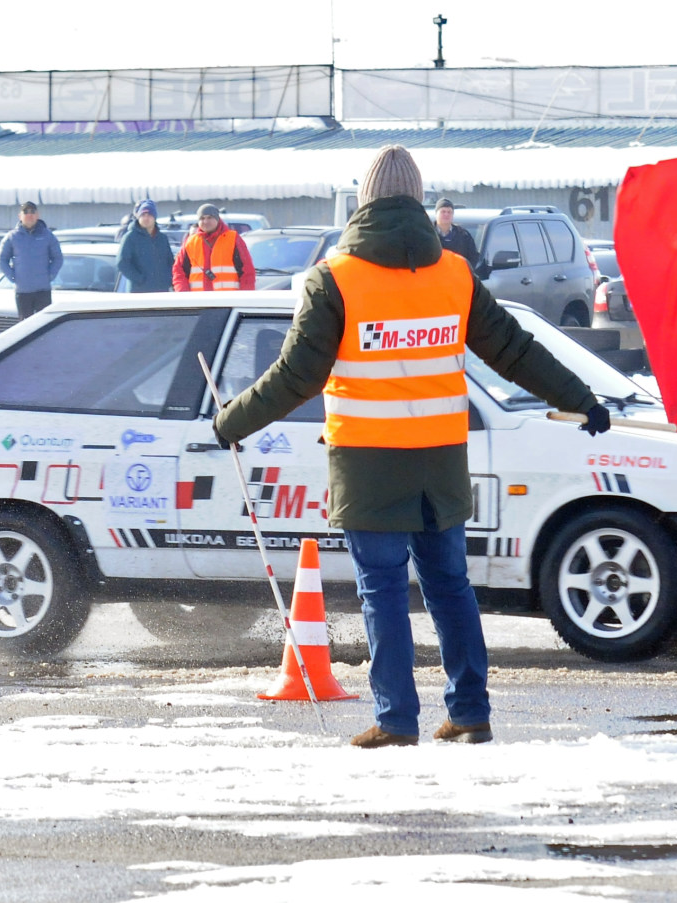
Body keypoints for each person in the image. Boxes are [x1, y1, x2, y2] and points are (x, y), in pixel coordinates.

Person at [213, 145, 610, 749]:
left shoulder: (335, 278)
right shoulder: (453, 273)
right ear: (420, 199)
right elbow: (515, 350)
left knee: (382, 590)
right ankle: (470, 710)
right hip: (440, 463)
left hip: (369, 463)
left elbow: (296, 376)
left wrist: (231, 421)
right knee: (450, 584)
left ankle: (397, 719)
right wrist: (583, 397)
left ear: (365, 198)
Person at [0, 201, 63, 319]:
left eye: (32, 212)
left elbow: (58, 258)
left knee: (44, 325)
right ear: (20, 216)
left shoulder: (47, 235)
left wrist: (50, 275)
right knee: (25, 327)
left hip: (43, 291)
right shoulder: (12, 237)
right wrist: (14, 277)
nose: (29, 215)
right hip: (23, 292)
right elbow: (2, 260)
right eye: (26, 212)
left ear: (37, 215)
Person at [171, 204, 255, 291]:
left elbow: (247, 271)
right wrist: (184, 295)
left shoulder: (233, 239)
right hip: (199, 302)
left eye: (210, 217)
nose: (206, 221)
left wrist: (243, 299)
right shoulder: (190, 242)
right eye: (202, 218)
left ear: (217, 219)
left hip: (227, 301)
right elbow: (179, 272)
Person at [117, 199, 174, 293]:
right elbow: (122, 263)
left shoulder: (162, 238)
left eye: (149, 215)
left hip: (161, 291)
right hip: (139, 293)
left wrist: (168, 279)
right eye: (143, 215)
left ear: (155, 217)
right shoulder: (130, 237)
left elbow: (170, 262)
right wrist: (140, 279)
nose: (146, 218)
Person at [433, 197, 478, 266]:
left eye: (449, 212)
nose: (446, 214)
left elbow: (473, 258)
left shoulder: (463, 235)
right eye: (443, 211)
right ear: (436, 214)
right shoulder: (427, 234)